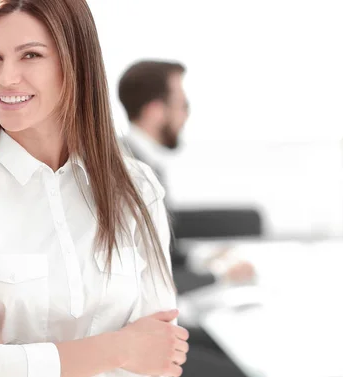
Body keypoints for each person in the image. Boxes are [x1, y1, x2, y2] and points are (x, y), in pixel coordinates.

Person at [0, 2, 189, 377]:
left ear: (76, 62)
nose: (6, 77)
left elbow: (160, 358)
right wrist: (118, 348)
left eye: (30, 55)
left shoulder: (137, 187)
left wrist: (8, 354)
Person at [118, 60, 253, 377]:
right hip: (138, 338)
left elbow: (164, 250)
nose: (186, 115)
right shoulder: (128, 174)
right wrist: (220, 274)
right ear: (155, 111)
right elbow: (140, 282)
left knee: (240, 349)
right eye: (183, 104)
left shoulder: (140, 160)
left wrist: (206, 257)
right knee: (243, 366)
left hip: (153, 322)